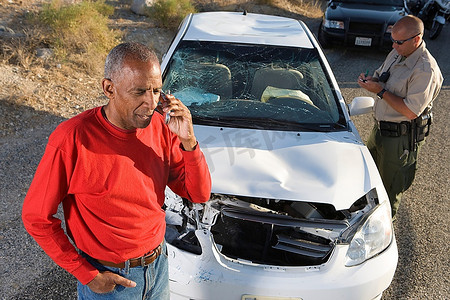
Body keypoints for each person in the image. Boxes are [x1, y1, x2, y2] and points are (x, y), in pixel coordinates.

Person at [22, 42, 212, 299]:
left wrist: (189, 142)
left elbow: (198, 193)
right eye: (140, 92)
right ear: (109, 88)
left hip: (158, 267)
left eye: (157, 91)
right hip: (111, 281)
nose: (151, 102)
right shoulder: (71, 139)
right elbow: (36, 218)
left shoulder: (161, 127)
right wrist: (86, 274)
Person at [357, 15, 443, 218]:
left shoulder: (425, 69)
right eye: (392, 40)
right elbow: (382, 75)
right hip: (380, 130)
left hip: (399, 139)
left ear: (416, 39)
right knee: (368, 181)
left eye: (399, 42)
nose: (394, 46)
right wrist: (372, 80)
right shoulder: (398, 53)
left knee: (388, 193)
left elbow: (410, 111)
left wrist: (379, 91)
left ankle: (383, 236)